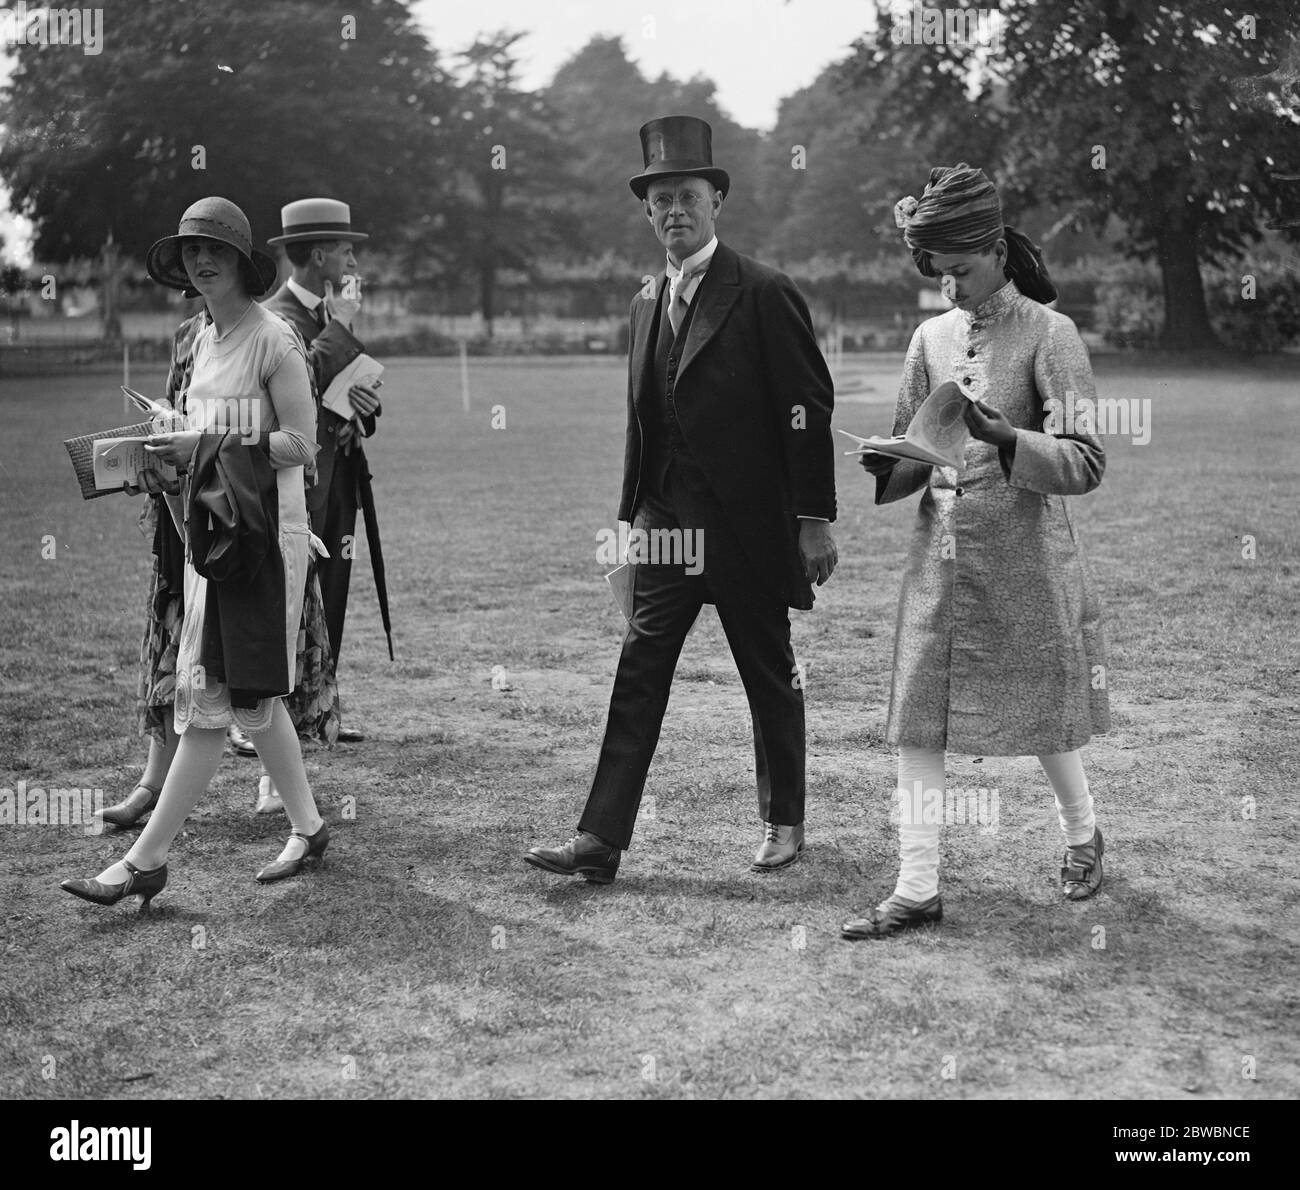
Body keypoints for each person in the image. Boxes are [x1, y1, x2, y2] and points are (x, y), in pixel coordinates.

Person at [525, 116, 838, 884]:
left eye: (688, 195)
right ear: (647, 212)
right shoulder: (643, 304)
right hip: (666, 529)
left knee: (768, 673)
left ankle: (784, 821)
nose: (674, 211)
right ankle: (599, 842)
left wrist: (814, 520)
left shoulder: (764, 292)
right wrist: (632, 522)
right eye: (661, 199)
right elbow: (645, 423)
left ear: (716, 201)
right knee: (638, 672)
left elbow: (808, 408)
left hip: (748, 529)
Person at [840, 164, 1110, 941]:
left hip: (1024, 558)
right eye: (937, 273)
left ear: (994, 250)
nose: (948, 287)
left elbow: (1086, 460)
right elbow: (912, 452)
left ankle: (1083, 833)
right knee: (917, 718)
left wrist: (1005, 436)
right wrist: (889, 463)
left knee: (1041, 714)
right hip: (940, 563)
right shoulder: (928, 338)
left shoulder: (1050, 335)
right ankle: (917, 886)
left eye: (958, 270)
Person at [61, 196, 329, 909]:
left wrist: (204, 445)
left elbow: (303, 446)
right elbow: (207, 443)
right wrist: (162, 453)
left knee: (209, 698)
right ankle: (310, 825)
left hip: (264, 540)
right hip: (210, 533)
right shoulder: (204, 339)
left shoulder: (275, 340)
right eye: (190, 252)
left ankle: (142, 862)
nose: (201, 261)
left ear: (244, 263)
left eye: (216, 251)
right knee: (251, 695)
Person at [261, 197, 380, 746]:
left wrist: (363, 403)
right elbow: (304, 374)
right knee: (293, 597)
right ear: (316, 255)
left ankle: (319, 711)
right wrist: (346, 325)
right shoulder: (278, 316)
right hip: (301, 480)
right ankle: (275, 717)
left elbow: (335, 390)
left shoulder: (328, 315)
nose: (352, 261)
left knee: (330, 594)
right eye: (344, 250)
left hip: (341, 476)